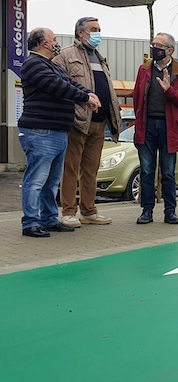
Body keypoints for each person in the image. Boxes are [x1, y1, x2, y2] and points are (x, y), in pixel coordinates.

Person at [18, 28, 101, 237]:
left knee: (51, 182)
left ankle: (48, 218)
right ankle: (30, 223)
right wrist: (85, 98)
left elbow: (70, 83)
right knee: (37, 179)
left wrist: (88, 92)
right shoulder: (33, 64)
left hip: (56, 131)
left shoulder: (50, 65)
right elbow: (58, 87)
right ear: (44, 44)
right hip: (40, 132)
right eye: (54, 40)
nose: (56, 43)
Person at [53, 17, 122, 228]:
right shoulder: (65, 55)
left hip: (99, 122)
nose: (98, 33)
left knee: (91, 170)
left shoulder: (100, 58)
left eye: (99, 29)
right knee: (71, 169)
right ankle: (68, 212)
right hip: (77, 122)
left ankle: (89, 210)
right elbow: (57, 84)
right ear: (80, 32)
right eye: (94, 29)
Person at [132, 32, 178, 225]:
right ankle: (147, 211)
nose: (154, 48)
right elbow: (136, 97)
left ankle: (170, 212)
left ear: (170, 50)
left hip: (170, 128)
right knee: (147, 170)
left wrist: (170, 90)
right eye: (153, 45)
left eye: (159, 45)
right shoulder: (144, 69)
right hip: (147, 125)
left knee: (168, 172)